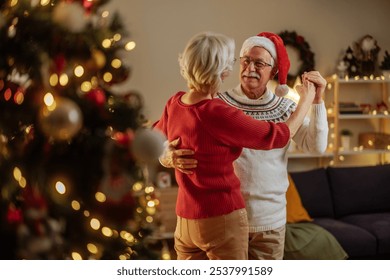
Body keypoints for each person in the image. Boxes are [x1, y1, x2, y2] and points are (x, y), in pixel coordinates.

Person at [159, 32, 329, 260]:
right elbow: (160, 134)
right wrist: (167, 155)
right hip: (223, 218)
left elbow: (316, 147)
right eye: (245, 60)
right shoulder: (217, 105)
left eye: (259, 63)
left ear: (274, 71)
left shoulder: (287, 108)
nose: (250, 68)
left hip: (267, 222)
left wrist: (316, 100)